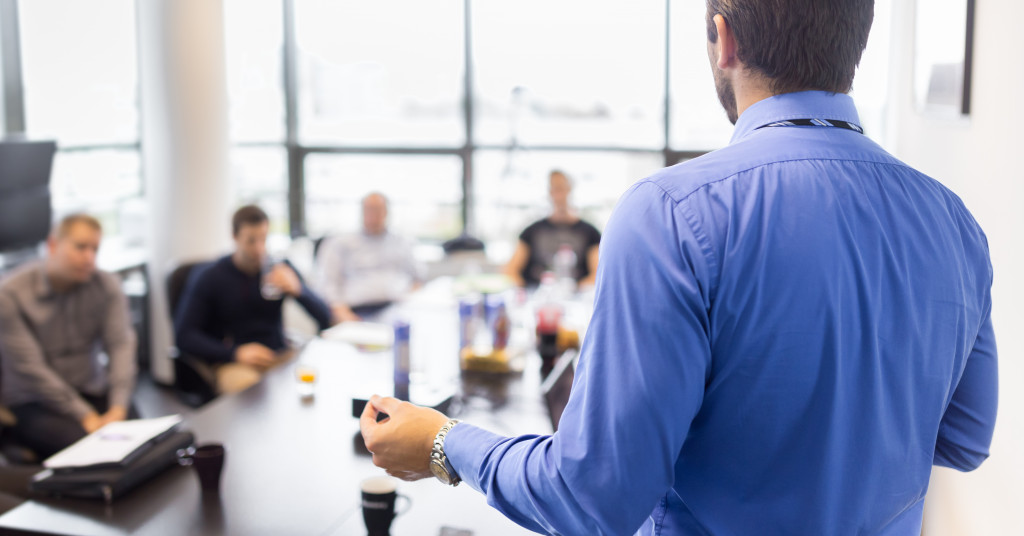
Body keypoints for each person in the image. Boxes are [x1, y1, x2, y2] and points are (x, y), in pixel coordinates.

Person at [359, 1, 998, 534]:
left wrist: (444, 444)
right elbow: (964, 438)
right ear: (856, 40)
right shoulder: (955, 221)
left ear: (723, 37)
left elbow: (591, 500)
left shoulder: (672, 211)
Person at [0, 214, 138, 459]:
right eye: (80, 247)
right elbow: (31, 369)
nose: (89, 258)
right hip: (37, 400)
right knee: (94, 450)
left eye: (95, 249)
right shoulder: (10, 295)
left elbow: (120, 345)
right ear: (53, 245)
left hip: (91, 388)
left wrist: (117, 407)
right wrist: (84, 415)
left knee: (140, 438)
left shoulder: (106, 285)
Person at [174, 205, 333, 394]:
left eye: (263, 239)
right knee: (252, 397)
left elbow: (325, 317)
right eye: (251, 241)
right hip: (235, 361)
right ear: (235, 237)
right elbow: (184, 336)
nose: (259, 249)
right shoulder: (210, 277)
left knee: (315, 382)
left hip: (278, 355)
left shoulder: (279, 268)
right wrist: (234, 353)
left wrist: (299, 291)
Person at [316, 192, 422, 322]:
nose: (373, 214)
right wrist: (344, 316)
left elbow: (417, 278)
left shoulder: (401, 241)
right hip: (358, 312)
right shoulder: (340, 242)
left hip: (397, 308)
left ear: (387, 212)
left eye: (378, 209)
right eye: (369, 209)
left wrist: (410, 303)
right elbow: (328, 285)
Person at [503, 170, 601, 288]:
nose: (558, 194)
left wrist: (575, 292)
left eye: (561, 188)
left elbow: (597, 274)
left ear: (569, 189)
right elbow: (511, 270)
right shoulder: (531, 231)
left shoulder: (590, 232)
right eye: (554, 188)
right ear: (549, 192)